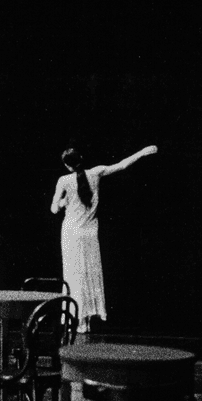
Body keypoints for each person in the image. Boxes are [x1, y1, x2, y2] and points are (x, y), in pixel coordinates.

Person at [50, 143, 159, 333]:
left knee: (74, 276)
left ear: (67, 165)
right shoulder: (96, 172)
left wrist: (61, 202)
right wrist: (142, 152)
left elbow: (53, 209)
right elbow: (122, 165)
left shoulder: (64, 181)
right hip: (89, 233)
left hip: (72, 233)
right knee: (89, 274)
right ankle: (85, 320)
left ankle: (79, 319)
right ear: (81, 160)